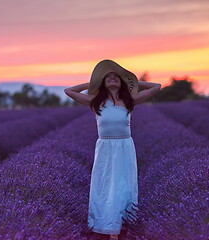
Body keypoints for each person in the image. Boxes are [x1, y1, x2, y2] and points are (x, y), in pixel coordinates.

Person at [64, 59, 161, 240]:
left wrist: (131, 81)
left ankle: (121, 227)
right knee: (105, 187)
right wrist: (93, 83)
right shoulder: (95, 101)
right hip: (106, 149)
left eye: (116, 77)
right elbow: (68, 91)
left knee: (123, 188)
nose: (112, 79)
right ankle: (107, 228)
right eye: (108, 77)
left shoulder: (128, 100)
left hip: (124, 148)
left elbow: (156, 86)